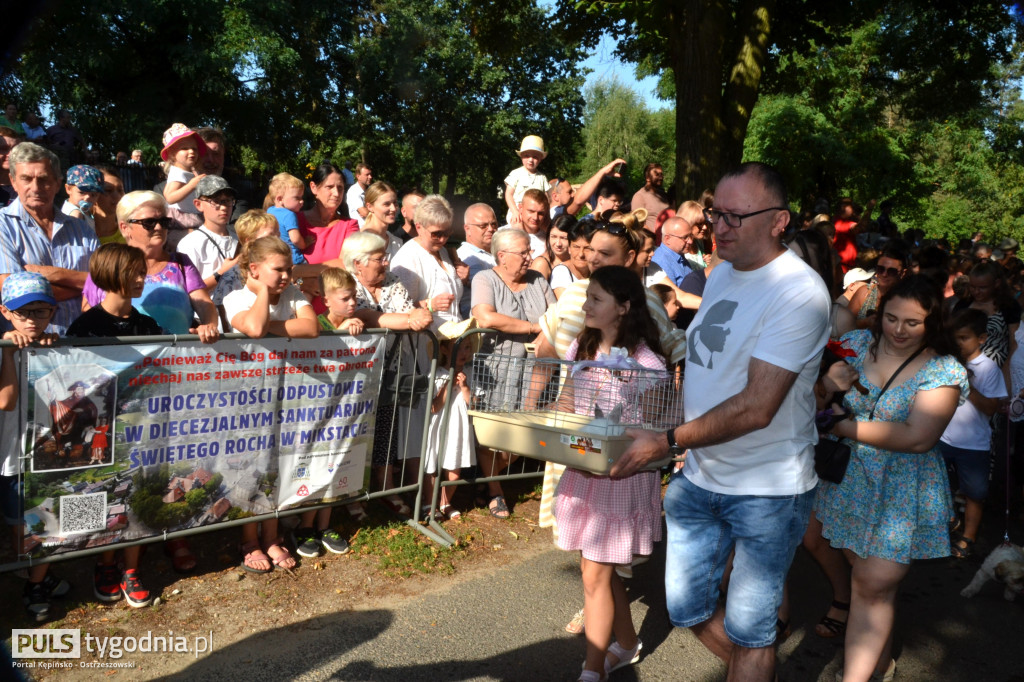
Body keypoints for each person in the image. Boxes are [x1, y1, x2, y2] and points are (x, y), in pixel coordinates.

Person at [612, 162, 831, 682]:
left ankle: (753, 663)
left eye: (736, 216)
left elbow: (757, 406)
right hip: (701, 474)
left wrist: (665, 440)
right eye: (715, 214)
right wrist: (661, 407)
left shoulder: (798, 292)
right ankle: (753, 669)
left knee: (753, 630)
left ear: (779, 221)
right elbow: (711, 365)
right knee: (687, 609)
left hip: (768, 489)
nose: (719, 227)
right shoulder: (723, 271)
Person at [815, 276, 966, 682]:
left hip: (901, 489)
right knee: (865, 577)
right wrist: (828, 386)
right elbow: (817, 395)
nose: (898, 330)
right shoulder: (860, 344)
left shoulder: (943, 369)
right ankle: (879, 660)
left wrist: (843, 426)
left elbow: (918, 438)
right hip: (849, 476)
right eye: (892, 318)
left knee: (873, 583)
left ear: (932, 324)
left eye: (912, 323)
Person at [556, 266, 666, 682]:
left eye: (596, 299)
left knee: (595, 573)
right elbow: (567, 401)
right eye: (588, 297)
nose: (586, 305)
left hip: (622, 476)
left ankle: (592, 668)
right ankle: (627, 641)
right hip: (586, 468)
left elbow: (656, 427)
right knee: (596, 568)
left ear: (623, 308)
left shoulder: (646, 362)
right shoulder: (580, 348)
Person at [65, 244, 160, 607]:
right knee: (103, 495)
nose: (142, 277)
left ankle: (132, 568)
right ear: (111, 274)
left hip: (138, 428)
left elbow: (173, 357)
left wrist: (202, 334)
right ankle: (104, 562)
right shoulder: (85, 326)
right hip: (100, 431)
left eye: (143, 270)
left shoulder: (146, 323)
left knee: (137, 492)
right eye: (135, 271)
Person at [223, 236, 317, 573]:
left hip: (285, 394)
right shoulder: (236, 297)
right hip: (248, 396)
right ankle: (250, 539)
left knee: (278, 465)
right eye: (278, 270)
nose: (286, 277)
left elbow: (311, 327)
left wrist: (271, 328)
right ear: (254, 269)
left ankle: (273, 535)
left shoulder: (291, 294)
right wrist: (262, 291)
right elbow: (253, 327)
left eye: (289, 269)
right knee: (251, 466)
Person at [342, 231, 432, 516]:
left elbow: (408, 311)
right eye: (380, 258)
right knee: (356, 432)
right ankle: (352, 494)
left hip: (393, 366)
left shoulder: (392, 281)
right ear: (358, 264)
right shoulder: (346, 283)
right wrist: (411, 318)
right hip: (357, 373)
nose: (386, 262)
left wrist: (414, 316)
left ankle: (385, 487)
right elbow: (368, 317)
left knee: (387, 428)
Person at [471, 228, 555, 517]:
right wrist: (534, 328)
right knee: (494, 432)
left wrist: (545, 333)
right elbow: (486, 316)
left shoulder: (537, 280)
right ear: (502, 256)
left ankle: (486, 478)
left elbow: (555, 318)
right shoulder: (485, 279)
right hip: (498, 368)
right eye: (523, 252)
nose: (529, 257)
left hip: (536, 370)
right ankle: (495, 490)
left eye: (529, 251)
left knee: (525, 432)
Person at [0, 272, 68, 621]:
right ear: (5, 311)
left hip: (42, 454)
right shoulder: (3, 345)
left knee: (44, 518)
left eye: (41, 312)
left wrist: (51, 347)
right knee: (19, 525)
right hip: (10, 456)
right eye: (22, 312)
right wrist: (9, 353)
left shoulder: (54, 341)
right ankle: (31, 572)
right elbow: (6, 401)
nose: (32, 320)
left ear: (53, 312)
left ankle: (36, 579)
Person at [83, 191, 219, 343]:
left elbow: (205, 305)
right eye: (149, 222)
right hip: (120, 360)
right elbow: (88, 312)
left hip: (174, 361)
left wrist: (208, 327)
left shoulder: (181, 263)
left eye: (164, 221)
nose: (159, 227)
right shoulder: (108, 263)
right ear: (125, 227)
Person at [292, 266, 364, 550]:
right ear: (325, 298)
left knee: (336, 463)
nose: (352, 303)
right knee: (315, 465)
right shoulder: (317, 324)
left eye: (354, 297)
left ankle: (325, 524)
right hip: (316, 410)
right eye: (345, 298)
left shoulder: (356, 321)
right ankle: (305, 526)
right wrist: (339, 334)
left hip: (344, 408)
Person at [0, 142, 98, 334]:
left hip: (84, 346)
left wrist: (55, 274)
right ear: (13, 181)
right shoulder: (3, 224)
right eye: (26, 179)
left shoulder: (82, 229)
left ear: (57, 184)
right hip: (28, 351)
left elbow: (106, 283)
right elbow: (11, 291)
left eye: (44, 179)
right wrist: (84, 285)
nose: (36, 187)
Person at [939, 308, 1006, 559]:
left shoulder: (988, 369)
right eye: (955, 337)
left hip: (974, 445)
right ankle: (949, 522)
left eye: (964, 338)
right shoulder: (948, 362)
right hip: (943, 437)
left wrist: (966, 381)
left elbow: (991, 408)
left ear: (981, 339)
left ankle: (969, 536)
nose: (958, 343)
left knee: (974, 494)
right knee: (938, 484)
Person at [952, 260, 1021, 369]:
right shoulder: (963, 305)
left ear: (996, 283)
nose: (976, 291)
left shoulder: (1008, 306)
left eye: (982, 287)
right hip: (963, 368)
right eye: (973, 287)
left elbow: (1014, 342)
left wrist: (1007, 369)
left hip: (999, 369)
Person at [175, 175, 239, 294]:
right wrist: (221, 273)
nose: (224, 207)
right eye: (216, 201)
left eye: (228, 201)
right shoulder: (190, 243)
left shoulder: (238, 239)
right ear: (198, 204)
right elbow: (189, 290)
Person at [159, 123, 208, 239]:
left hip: (188, 215)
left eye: (194, 148)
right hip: (183, 219)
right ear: (172, 154)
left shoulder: (185, 171)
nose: (191, 151)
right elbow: (170, 197)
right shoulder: (178, 172)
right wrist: (191, 185)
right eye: (185, 148)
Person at [303, 161, 357, 267]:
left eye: (340, 188)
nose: (336, 193)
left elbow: (346, 264)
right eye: (329, 187)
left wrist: (300, 270)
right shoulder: (294, 222)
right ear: (313, 187)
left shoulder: (350, 226)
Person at [848, 243, 909, 329]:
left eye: (891, 271)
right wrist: (865, 322)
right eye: (881, 269)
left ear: (902, 273)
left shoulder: (907, 300)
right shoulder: (864, 293)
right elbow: (845, 325)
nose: (884, 274)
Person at [456, 203, 498, 318]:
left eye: (493, 224)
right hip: (478, 326)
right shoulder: (465, 258)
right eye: (483, 226)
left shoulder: (497, 252)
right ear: (467, 229)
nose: (491, 229)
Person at [265, 173, 315, 265]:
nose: (302, 201)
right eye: (297, 198)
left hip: (276, 258)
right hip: (294, 259)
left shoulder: (270, 210)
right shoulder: (289, 215)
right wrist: (305, 244)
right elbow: (295, 239)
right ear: (280, 199)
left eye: (302, 197)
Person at [504, 135, 549, 226]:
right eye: (527, 156)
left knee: (547, 228)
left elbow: (546, 198)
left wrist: (546, 215)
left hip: (536, 212)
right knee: (518, 226)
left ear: (540, 159)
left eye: (535, 157)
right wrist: (515, 211)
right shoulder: (516, 173)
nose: (531, 160)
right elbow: (508, 194)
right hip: (518, 210)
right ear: (521, 157)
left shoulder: (542, 177)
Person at [360, 181, 404, 261]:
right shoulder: (360, 241)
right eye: (386, 204)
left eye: (395, 203)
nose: (393, 209)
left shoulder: (396, 242)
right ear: (370, 207)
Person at [501, 188, 550, 260]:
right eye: (531, 211)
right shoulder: (502, 234)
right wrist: (518, 234)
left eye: (540, 213)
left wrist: (549, 233)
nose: (535, 217)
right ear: (520, 208)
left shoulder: (550, 238)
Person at [651, 216, 696, 287]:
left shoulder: (679, 256)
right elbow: (671, 296)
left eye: (690, 236)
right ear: (667, 239)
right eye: (685, 237)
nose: (690, 241)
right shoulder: (661, 262)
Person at [550, 219, 590, 299]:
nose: (581, 254)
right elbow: (566, 306)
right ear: (569, 249)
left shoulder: (599, 271)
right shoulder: (561, 272)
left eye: (587, 248)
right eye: (576, 247)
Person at [91, 164, 126, 245]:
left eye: (120, 190)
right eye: (108, 190)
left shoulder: (129, 233)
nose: (117, 196)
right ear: (93, 194)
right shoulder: (83, 234)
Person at [60, 165, 104, 229]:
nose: (87, 197)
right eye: (82, 192)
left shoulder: (82, 210)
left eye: (93, 195)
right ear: (68, 189)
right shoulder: (76, 214)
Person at [631, 163, 670, 231]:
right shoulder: (640, 196)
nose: (661, 177)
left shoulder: (663, 195)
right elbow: (637, 223)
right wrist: (651, 237)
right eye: (657, 175)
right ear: (648, 178)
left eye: (661, 174)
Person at [346, 163, 373, 228]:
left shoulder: (371, 189)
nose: (370, 177)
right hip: (360, 232)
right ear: (358, 176)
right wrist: (375, 209)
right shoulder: (353, 191)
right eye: (367, 175)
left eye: (370, 174)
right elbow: (364, 213)